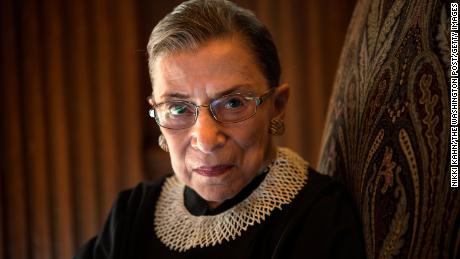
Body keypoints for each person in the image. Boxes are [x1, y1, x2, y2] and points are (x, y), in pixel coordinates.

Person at [74, 0, 366, 258]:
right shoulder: (131, 214)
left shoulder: (319, 219)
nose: (206, 140)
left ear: (277, 105)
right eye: (178, 108)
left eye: (233, 103)